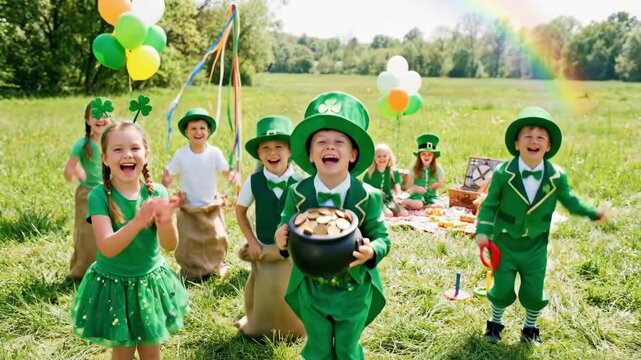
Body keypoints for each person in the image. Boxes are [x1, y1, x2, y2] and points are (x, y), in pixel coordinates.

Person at [476, 106, 607, 346]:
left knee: (534, 290)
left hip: (536, 246)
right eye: (528, 136)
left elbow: (570, 201)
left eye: (540, 137)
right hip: (503, 243)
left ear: (548, 146)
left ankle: (530, 328)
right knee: (502, 287)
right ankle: (494, 324)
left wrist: (591, 212)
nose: (534, 141)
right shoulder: (503, 173)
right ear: (516, 143)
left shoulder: (556, 176)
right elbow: (490, 204)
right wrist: (483, 231)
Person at [275, 91, 391, 359]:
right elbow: (285, 224)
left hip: (353, 289)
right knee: (317, 348)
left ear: (352, 154)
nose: (330, 147)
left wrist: (372, 250)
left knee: (347, 350)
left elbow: (382, 237)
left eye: (339, 142)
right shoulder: (298, 192)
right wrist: (281, 239)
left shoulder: (368, 196)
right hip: (312, 287)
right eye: (321, 142)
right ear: (311, 154)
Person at [70, 121, 188, 359]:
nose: (127, 154)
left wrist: (164, 220)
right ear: (104, 158)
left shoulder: (157, 194)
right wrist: (139, 220)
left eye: (135, 148)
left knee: (151, 349)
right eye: (118, 149)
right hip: (115, 285)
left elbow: (169, 245)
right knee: (123, 350)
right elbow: (107, 247)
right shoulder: (99, 196)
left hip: (149, 283)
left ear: (146, 154)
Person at [234, 115, 306, 339]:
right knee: (264, 291)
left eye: (279, 147)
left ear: (290, 151)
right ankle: (260, 325)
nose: (272, 153)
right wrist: (252, 241)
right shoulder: (253, 181)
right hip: (264, 246)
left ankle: (295, 327)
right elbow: (240, 210)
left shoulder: (301, 182)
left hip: (292, 250)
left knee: (290, 291)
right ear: (259, 154)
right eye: (265, 148)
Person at [162, 108, 234, 281]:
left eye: (202, 128)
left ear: (208, 131)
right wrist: (166, 179)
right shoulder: (181, 154)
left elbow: (225, 171)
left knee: (216, 236)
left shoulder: (214, 153)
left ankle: (216, 264)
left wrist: (233, 177)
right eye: (193, 128)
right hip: (189, 207)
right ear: (186, 132)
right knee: (188, 240)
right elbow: (169, 175)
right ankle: (190, 268)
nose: (198, 132)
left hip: (210, 205)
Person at [63, 98, 112, 281]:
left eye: (104, 114)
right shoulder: (83, 145)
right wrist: (74, 173)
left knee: (111, 232)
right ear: (87, 120)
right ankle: (82, 270)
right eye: (95, 115)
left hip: (111, 192)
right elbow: (70, 168)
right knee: (87, 235)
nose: (100, 119)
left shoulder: (113, 142)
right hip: (87, 194)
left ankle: (111, 269)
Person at [363, 143, 408, 217]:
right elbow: (366, 189)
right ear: (374, 158)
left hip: (389, 199)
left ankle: (389, 208)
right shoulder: (369, 173)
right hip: (376, 200)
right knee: (388, 214)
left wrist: (397, 197)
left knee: (403, 214)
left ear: (389, 157)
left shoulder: (392, 171)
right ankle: (379, 211)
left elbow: (397, 186)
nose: (382, 159)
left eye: (384, 156)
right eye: (379, 156)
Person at [402, 133, 445, 210]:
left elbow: (441, 182)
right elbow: (409, 185)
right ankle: (406, 202)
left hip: (431, 196)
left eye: (429, 154)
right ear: (419, 156)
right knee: (418, 204)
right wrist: (416, 188)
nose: (426, 156)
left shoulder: (437, 168)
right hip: (418, 196)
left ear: (433, 156)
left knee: (440, 206)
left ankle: (425, 206)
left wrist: (437, 184)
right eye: (423, 154)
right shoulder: (415, 168)